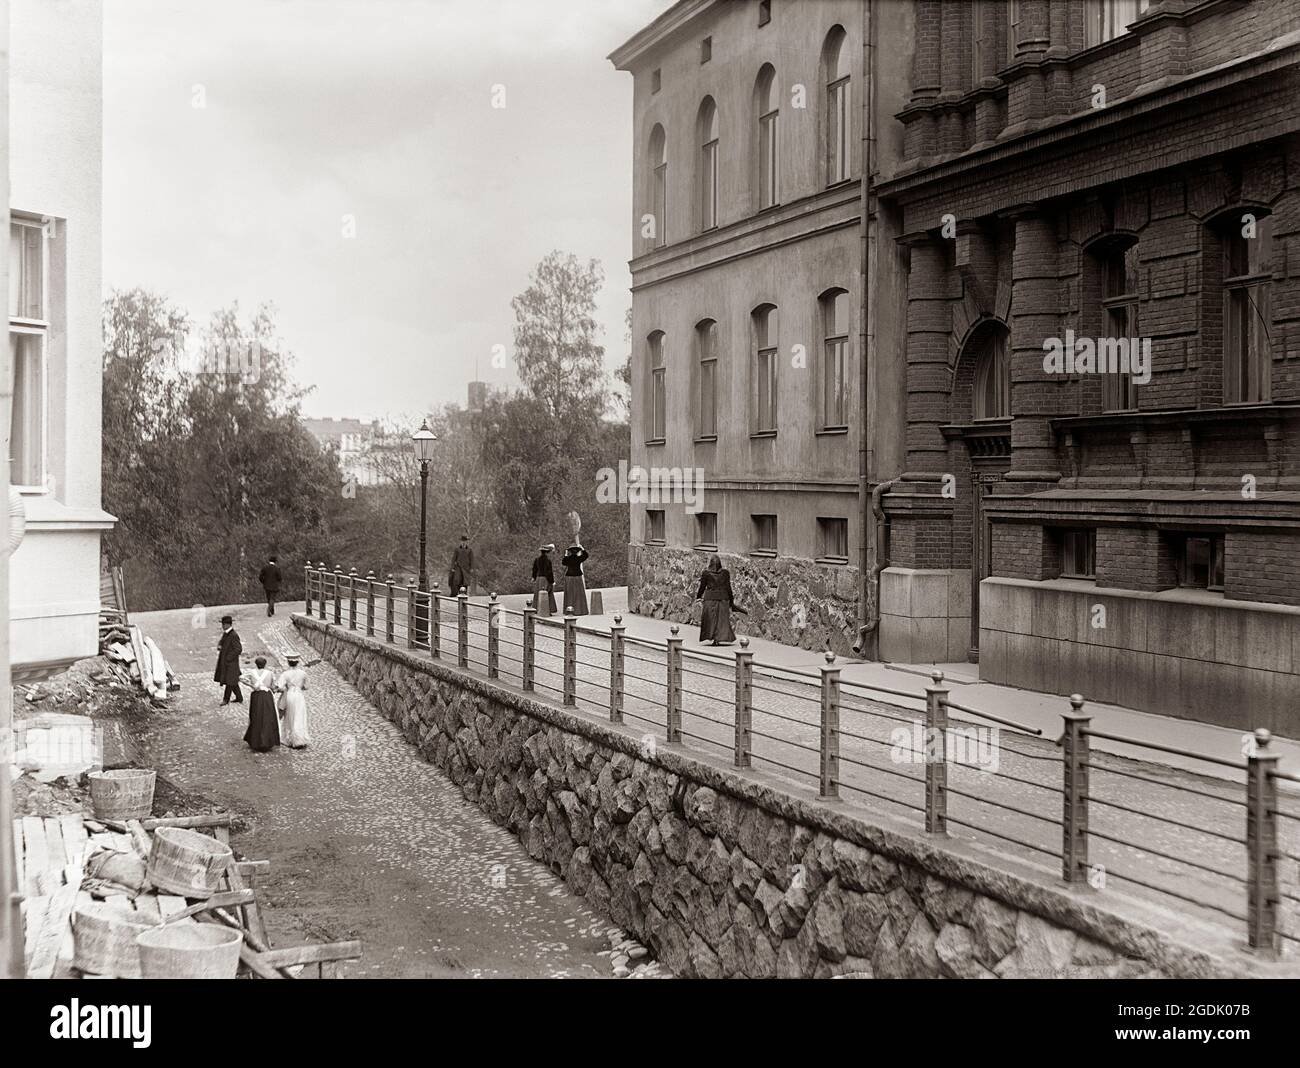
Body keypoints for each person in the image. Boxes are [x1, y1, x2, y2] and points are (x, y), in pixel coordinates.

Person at [240, 656, 280, 752]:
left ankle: (255, 740)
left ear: (256, 664)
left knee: (255, 716)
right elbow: (273, 686)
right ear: (265, 664)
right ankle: (267, 740)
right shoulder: (270, 673)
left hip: (256, 695)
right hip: (266, 696)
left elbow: (241, 678)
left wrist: (251, 685)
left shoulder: (251, 672)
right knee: (268, 717)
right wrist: (277, 689)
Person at [695, 554, 736, 646]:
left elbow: (702, 587)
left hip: (710, 598)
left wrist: (698, 596)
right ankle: (719, 637)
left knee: (710, 619)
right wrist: (731, 600)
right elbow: (728, 587)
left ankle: (713, 637)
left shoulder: (706, 573)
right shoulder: (725, 573)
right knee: (721, 619)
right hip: (723, 598)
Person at [275, 653, 311, 749]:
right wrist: (299, 686)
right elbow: (307, 687)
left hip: (289, 695)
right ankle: (300, 739)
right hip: (299, 696)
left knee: (290, 716)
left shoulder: (285, 674)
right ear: (297, 662)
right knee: (299, 715)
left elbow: (280, 687)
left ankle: (290, 738)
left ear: (288, 662)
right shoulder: (303, 673)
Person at [214, 615, 243, 704]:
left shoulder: (234, 635)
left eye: (223, 624)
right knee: (232, 681)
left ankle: (226, 699)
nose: (222, 626)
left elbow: (238, 649)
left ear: (228, 625)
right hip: (227, 662)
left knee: (230, 681)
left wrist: (228, 658)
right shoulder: (226, 633)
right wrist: (219, 645)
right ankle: (239, 697)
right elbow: (222, 641)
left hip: (231, 663)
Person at [561, 542, 590, 616]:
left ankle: (569, 610)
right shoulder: (579, 558)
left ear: (570, 551)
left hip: (569, 577)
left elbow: (563, 562)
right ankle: (579, 610)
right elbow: (586, 555)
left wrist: (566, 554)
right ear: (577, 551)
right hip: (577, 577)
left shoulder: (568, 559)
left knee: (570, 594)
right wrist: (583, 549)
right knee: (578, 594)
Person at [531, 543, 557, 617]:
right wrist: (552, 581)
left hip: (539, 578)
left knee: (537, 594)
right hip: (545, 578)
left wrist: (533, 577)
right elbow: (549, 572)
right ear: (547, 552)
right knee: (547, 593)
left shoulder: (537, 559)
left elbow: (534, 569)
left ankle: (537, 609)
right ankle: (547, 610)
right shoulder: (548, 561)